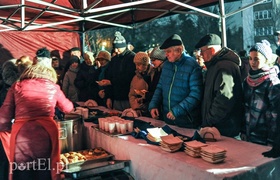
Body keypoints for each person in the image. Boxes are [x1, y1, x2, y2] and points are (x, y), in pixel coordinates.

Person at [0, 47, 74, 179]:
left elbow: (4, 117)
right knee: (45, 170)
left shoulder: (17, 86)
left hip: (21, 133)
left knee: (23, 171)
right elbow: (68, 108)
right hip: (46, 132)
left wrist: (7, 130)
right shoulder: (53, 86)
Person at [194, 33, 244, 138]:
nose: (200, 55)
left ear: (212, 51)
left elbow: (223, 100)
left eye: (202, 51)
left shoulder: (224, 67)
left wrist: (208, 121)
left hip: (223, 129)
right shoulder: (215, 65)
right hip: (218, 127)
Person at [149, 34, 203, 128]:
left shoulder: (192, 66)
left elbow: (196, 94)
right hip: (168, 119)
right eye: (165, 52)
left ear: (179, 50)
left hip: (187, 121)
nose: (166, 54)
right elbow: (160, 87)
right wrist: (153, 105)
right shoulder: (166, 65)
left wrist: (177, 110)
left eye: (168, 51)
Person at [242, 40, 280, 158]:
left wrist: (272, 139)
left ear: (266, 60)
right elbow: (244, 108)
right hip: (249, 135)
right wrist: (243, 130)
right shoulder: (246, 81)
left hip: (264, 136)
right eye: (250, 58)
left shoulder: (272, 82)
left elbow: (275, 115)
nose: (252, 62)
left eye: (257, 59)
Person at [99, 31, 136, 111]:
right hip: (116, 98)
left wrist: (111, 82)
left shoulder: (132, 57)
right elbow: (109, 76)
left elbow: (129, 77)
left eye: (118, 48)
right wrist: (109, 97)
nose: (116, 50)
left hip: (128, 98)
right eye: (114, 48)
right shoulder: (114, 60)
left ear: (124, 46)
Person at [129, 52, 154, 117]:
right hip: (140, 112)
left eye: (139, 64)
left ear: (146, 64)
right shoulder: (135, 78)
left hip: (153, 111)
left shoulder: (154, 75)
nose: (137, 67)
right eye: (136, 64)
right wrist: (136, 108)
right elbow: (131, 95)